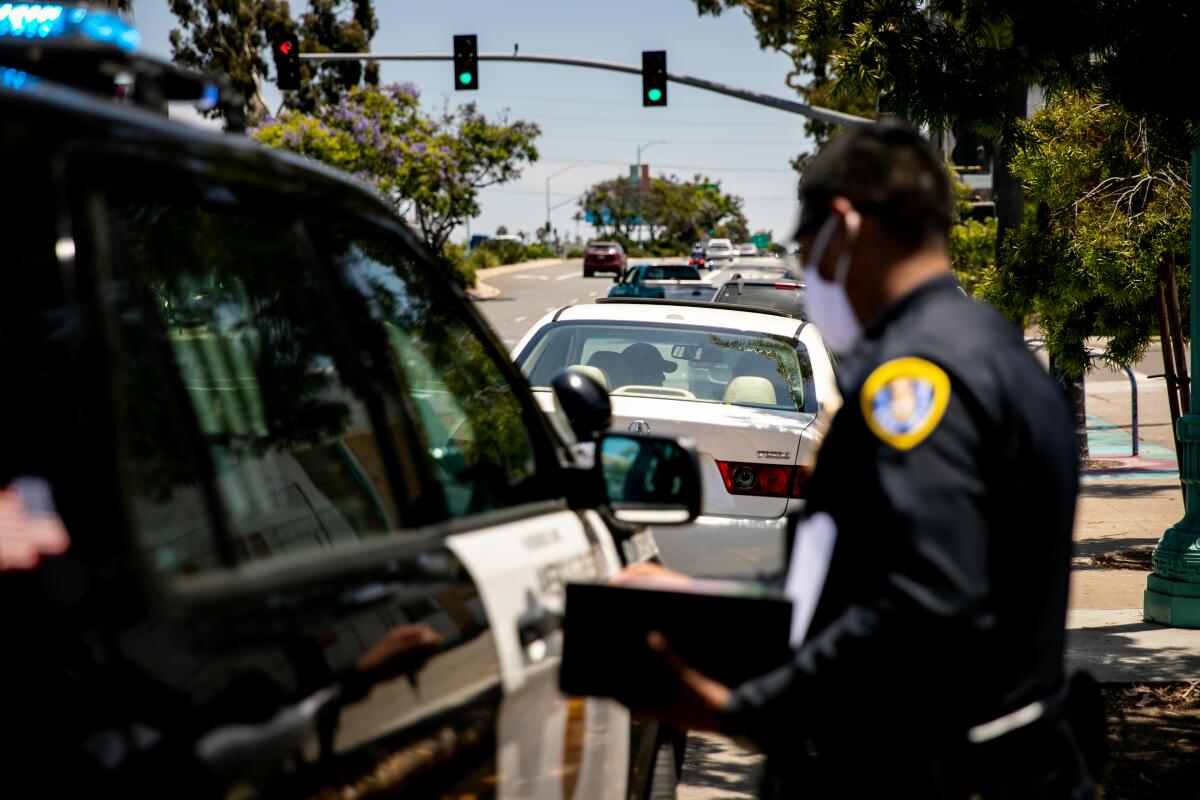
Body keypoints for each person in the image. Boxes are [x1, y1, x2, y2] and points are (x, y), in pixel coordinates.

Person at [621, 120, 1088, 798]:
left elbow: (925, 602)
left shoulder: (918, 379)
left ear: (843, 225)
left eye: (807, 253)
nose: (808, 275)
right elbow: (863, 584)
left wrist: (737, 710)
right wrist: (701, 601)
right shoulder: (990, 351)